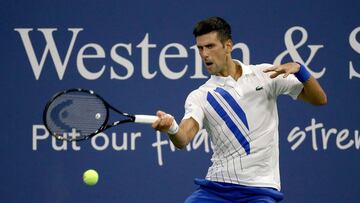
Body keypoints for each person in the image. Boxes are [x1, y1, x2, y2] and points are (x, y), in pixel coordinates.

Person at [152, 16, 327, 203]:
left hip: (260, 190)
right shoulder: (200, 95)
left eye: (210, 46)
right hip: (217, 188)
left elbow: (319, 99)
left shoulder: (265, 75)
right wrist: (171, 128)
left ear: (228, 46)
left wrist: (300, 70)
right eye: (200, 48)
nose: (204, 54)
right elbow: (183, 138)